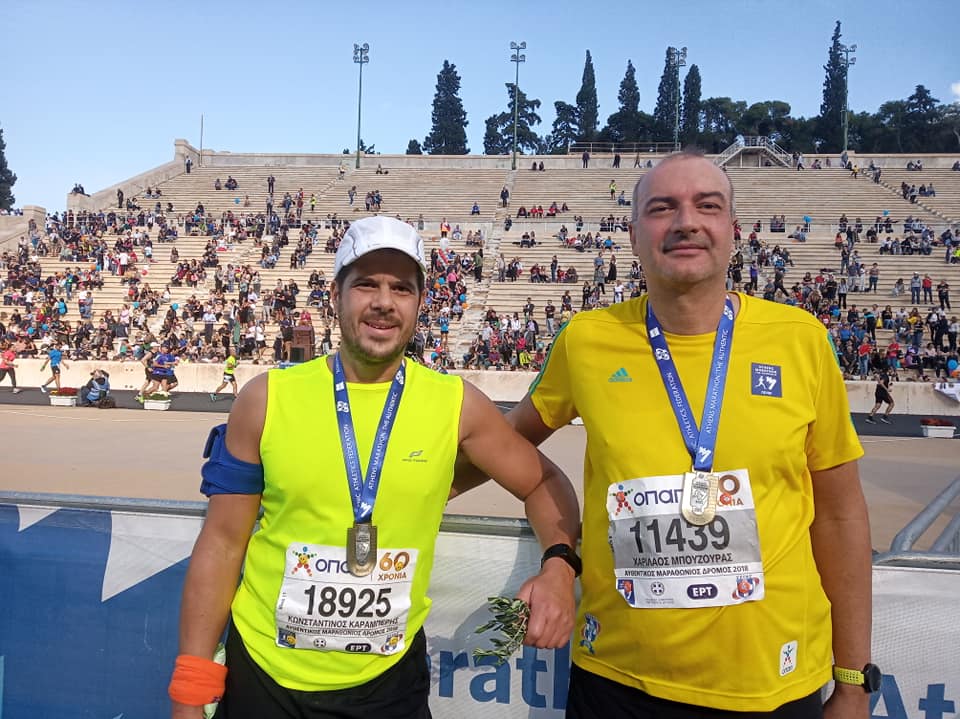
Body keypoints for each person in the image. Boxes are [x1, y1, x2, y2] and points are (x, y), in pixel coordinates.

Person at [455, 151, 874, 718]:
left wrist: (852, 682)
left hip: (769, 687)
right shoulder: (587, 340)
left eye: (708, 206)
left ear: (734, 231)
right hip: (617, 681)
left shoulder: (801, 341)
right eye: (662, 208)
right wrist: (420, 492)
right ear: (633, 236)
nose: (686, 222)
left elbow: (842, 517)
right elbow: (507, 442)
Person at [169, 216, 580, 718]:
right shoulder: (266, 399)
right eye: (366, 283)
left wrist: (560, 565)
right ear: (336, 296)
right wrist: (191, 687)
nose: (384, 301)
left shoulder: (457, 407)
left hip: (386, 686)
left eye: (401, 288)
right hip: (264, 675)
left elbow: (543, 481)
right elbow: (222, 542)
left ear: (420, 304)